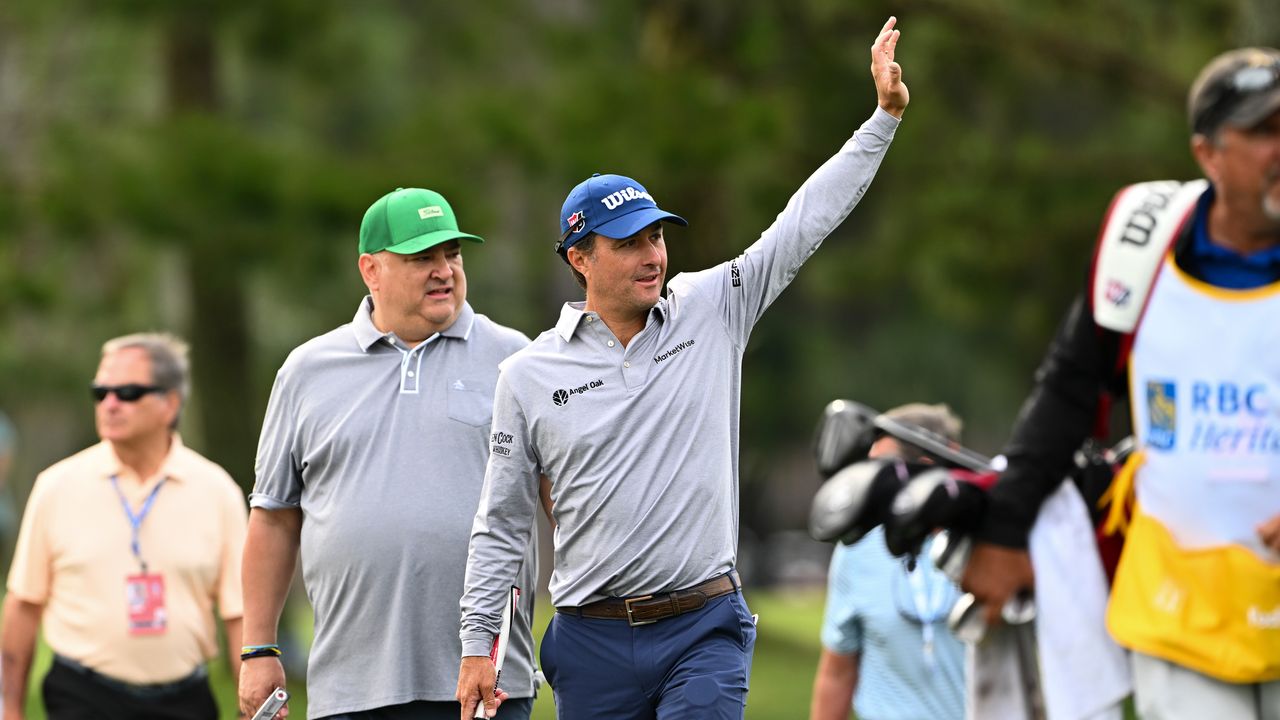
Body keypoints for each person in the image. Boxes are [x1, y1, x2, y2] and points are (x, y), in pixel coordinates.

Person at [457, 17, 909, 720]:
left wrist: (881, 120)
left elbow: (802, 223)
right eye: (630, 243)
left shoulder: (711, 306)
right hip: (591, 639)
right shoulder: (528, 374)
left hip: (704, 625)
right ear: (580, 258)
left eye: (658, 236)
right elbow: (502, 522)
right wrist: (477, 645)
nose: (653, 255)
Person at [962, 47, 1280, 718]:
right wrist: (1005, 529)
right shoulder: (1144, 245)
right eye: (1263, 131)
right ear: (1208, 154)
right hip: (1180, 605)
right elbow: (1070, 390)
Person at [239, 187, 538, 720]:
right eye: (422, 257)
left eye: (453, 254)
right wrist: (259, 648)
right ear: (370, 270)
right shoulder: (307, 371)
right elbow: (274, 518)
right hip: (350, 687)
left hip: (484, 682)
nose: (444, 270)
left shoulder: (516, 359)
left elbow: (563, 499)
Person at [0, 333, 248, 720]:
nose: (110, 404)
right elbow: (23, 604)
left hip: (185, 701)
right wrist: (9, 709)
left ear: (171, 403)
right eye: (101, 392)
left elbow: (241, 614)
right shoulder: (56, 487)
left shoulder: (217, 491)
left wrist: (250, 708)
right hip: (82, 697)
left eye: (128, 392)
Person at [809, 403, 966, 720]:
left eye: (882, 470)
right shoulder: (855, 550)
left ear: (923, 469)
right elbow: (837, 672)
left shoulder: (985, 541)